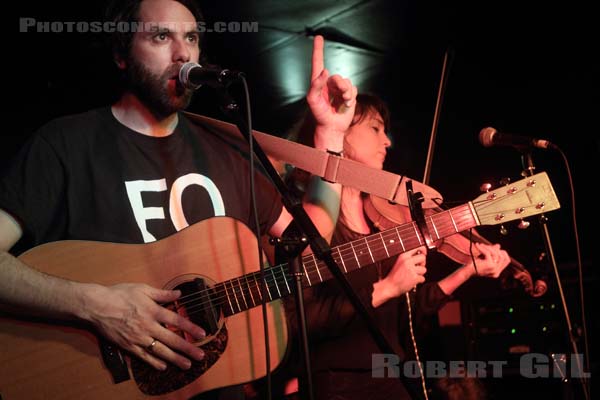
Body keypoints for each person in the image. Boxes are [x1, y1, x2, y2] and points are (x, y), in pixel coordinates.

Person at [0, 0, 357, 393]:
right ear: (121, 54)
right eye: (160, 36)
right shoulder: (65, 145)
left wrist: (330, 137)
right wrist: (95, 306)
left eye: (190, 37)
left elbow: (310, 243)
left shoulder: (229, 150)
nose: (183, 52)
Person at [280, 93, 511, 400]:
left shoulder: (381, 223)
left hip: (390, 378)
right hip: (336, 386)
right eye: (375, 128)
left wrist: (467, 271)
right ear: (341, 133)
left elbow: (404, 318)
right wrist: (387, 287)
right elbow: (297, 322)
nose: (387, 141)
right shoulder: (307, 223)